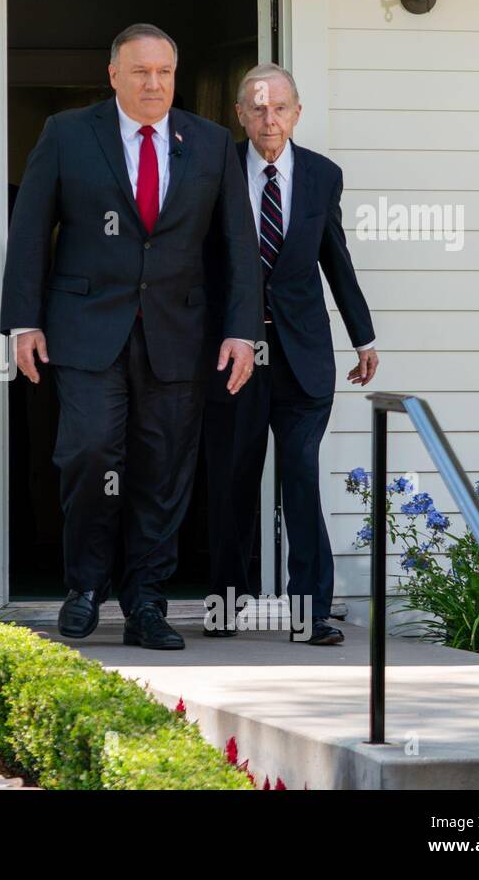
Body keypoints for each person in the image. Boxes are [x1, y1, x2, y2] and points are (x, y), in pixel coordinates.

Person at [0, 24, 261, 650]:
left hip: (179, 334)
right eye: (140, 71)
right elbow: (32, 230)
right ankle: (85, 586)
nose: (153, 83)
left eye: (164, 72)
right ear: (112, 73)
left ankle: (146, 601)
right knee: (88, 455)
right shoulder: (67, 133)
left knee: (164, 469)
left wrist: (242, 331)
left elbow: (237, 246)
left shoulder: (210, 141)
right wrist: (23, 320)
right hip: (85, 332)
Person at [203, 63, 378, 645]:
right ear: (239, 113)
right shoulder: (216, 168)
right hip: (238, 353)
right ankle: (228, 605)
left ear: (297, 112)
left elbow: (336, 258)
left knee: (301, 478)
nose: (268, 119)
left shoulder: (323, 176)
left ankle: (310, 614)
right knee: (234, 476)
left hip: (304, 355)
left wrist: (363, 336)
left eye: (279, 107)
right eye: (256, 108)